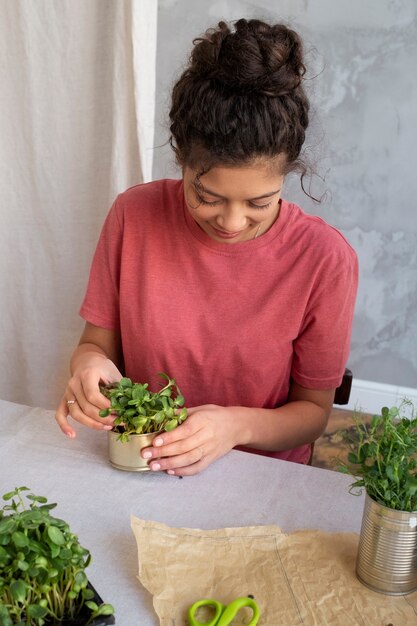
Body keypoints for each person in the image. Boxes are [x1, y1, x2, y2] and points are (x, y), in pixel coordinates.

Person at [55, 18, 358, 475]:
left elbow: (313, 415)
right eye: (207, 198)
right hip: (144, 462)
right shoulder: (133, 216)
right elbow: (94, 345)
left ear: (288, 175)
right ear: (180, 157)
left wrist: (234, 427)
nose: (232, 222)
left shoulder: (325, 260)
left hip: (257, 476)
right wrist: (90, 367)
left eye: (260, 202)